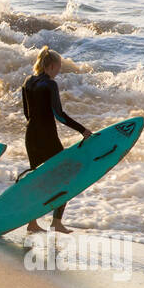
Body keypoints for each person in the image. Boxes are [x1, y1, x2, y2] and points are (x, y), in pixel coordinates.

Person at [21, 45, 91, 234]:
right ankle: (57, 222)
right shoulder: (50, 84)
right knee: (66, 176)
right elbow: (59, 115)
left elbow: (27, 114)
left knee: (36, 179)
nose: (59, 71)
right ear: (51, 66)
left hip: (30, 136)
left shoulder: (28, 81)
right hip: (47, 137)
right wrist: (82, 130)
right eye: (58, 67)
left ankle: (32, 222)